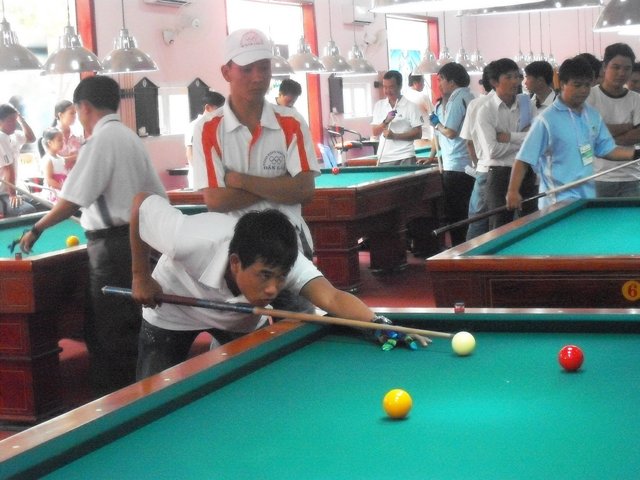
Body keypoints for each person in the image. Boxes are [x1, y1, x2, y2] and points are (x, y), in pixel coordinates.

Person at [130, 194, 425, 379]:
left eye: (280, 278)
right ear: (235, 263)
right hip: (172, 309)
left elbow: (333, 298)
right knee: (150, 392)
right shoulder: (189, 239)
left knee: (255, 384)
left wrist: (378, 324)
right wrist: (140, 276)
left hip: (240, 318)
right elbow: (141, 204)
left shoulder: (285, 261)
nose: (273, 289)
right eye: (264, 276)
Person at [19, 76, 166, 395]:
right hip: (141, 241)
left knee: (109, 334)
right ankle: (142, 392)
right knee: (131, 327)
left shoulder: (99, 141)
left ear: (84, 107)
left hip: (113, 249)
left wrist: (37, 228)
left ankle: (116, 402)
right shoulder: (129, 137)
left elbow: (71, 200)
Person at [506, 57, 640, 212]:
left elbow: (607, 150)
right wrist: (513, 191)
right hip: (556, 203)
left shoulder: (592, 116)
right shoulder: (547, 120)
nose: (583, 90)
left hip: (587, 201)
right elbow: (524, 159)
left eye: (587, 85)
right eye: (577, 85)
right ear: (563, 84)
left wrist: (636, 154)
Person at [475, 58, 538, 230]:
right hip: (499, 175)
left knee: (531, 224)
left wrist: (509, 137)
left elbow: (535, 139)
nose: (515, 82)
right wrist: (523, 140)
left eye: (517, 76)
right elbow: (492, 151)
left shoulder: (526, 104)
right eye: (508, 77)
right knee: (500, 227)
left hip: (526, 171)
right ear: (494, 82)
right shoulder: (486, 110)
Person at [422, 62, 475, 246]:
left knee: (457, 214)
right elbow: (438, 136)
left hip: (459, 167)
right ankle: (463, 247)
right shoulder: (452, 100)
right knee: (462, 211)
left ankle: (460, 249)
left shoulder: (459, 99)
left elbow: (450, 132)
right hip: (459, 165)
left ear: (452, 81)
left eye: (441, 80)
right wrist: (431, 157)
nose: (439, 84)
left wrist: (436, 124)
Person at [586, 43, 640, 198]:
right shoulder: (589, 96)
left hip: (632, 177)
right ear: (604, 67)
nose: (621, 73)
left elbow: (637, 135)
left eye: (627, 68)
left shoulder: (637, 99)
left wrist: (602, 138)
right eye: (616, 67)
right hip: (597, 177)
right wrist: (628, 127)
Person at [460, 64, 495, 241]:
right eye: (511, 77)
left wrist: (477, 164)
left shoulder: (476, 104)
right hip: (492, 169)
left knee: (478, 218)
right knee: (485, 219)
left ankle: (470, 255)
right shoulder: (479, 104)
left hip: (485, 168)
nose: (518, 81)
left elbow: (469, 143)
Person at [371, 70, 423, 165]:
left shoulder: (411, 106)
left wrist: (394, 136)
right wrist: (386, 121)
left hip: (405, 156)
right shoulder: (379, 105)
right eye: (385, 87)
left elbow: (418, 133)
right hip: (384, 157)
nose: (387, 91)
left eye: (391, 87)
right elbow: (375, 132)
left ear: (400, 86)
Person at [0, 103, 36, 217]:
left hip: (13, 188)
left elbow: (31, 138)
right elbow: (8, 169)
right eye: (10, 120)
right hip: (3, 192)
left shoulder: (14, 135)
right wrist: (13, 195)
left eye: (15, 120)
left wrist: (21, 120)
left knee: (43, 204)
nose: (14, 124)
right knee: (27, 210)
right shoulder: (1, 137)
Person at [184, 90, 225, 188]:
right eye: (218, 109)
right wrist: (201, 170)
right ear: (207, 108)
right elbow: (190, 153)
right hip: (201, 179)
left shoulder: (219, 124)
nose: (221, 112)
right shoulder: (196, 126)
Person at [52, 100, 84, 171]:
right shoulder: (51, 136)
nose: (75, 116)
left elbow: (85, 156)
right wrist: (75, 157)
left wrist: (68, 158)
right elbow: (53, 161)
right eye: (71, 113)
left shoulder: (78, 135)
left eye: (75, 113)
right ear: (61, 115)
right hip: (60, 175)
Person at [38, 127, 66, 202]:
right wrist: (63, 188)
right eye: (59, 140)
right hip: (53, 192)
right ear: (50, 143)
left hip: (61, 189)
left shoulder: (60, 158)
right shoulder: (48, 159)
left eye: (63, 140)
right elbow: (49, 180)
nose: (62, 142)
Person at [404, 73, 433, 148]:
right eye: (422, 81)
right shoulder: (422, 96)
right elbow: (433, 113)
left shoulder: (403, 97)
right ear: (415, 83)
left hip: (408, 140)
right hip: (423, 138)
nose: (424, 84)